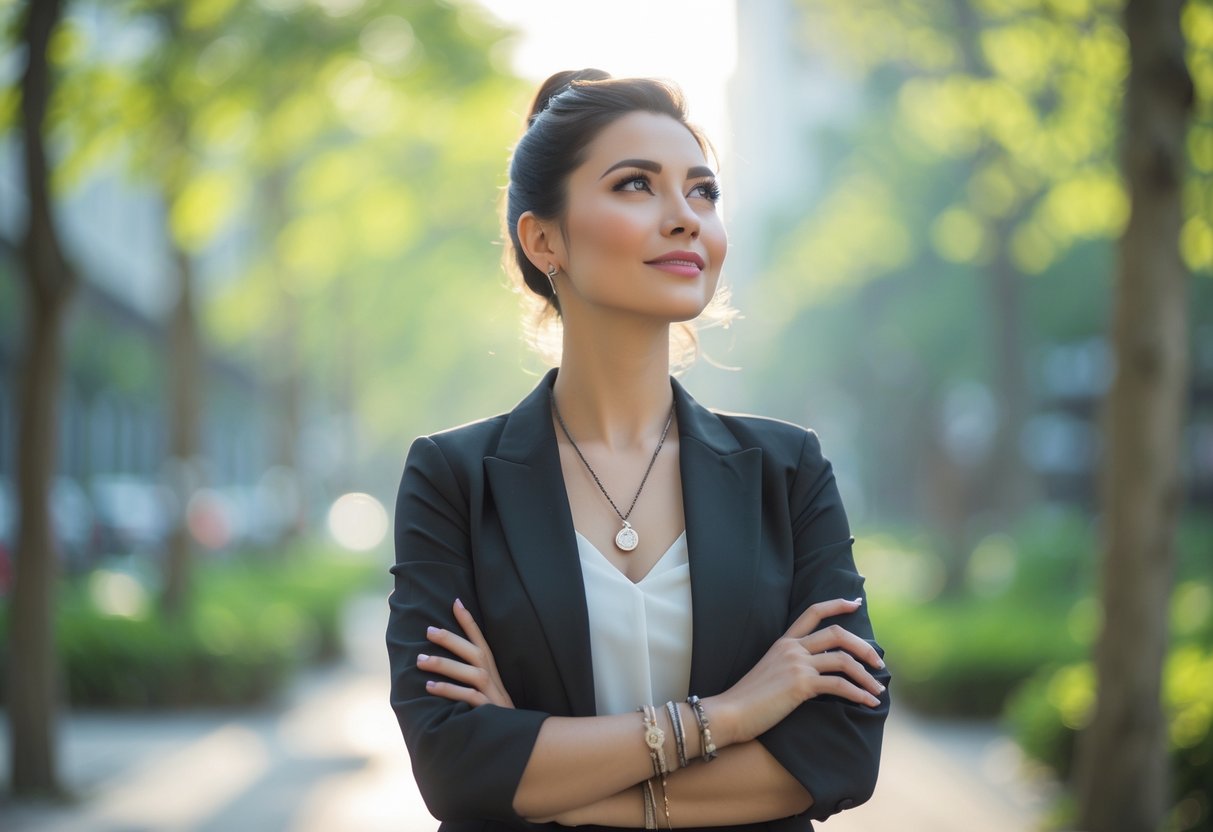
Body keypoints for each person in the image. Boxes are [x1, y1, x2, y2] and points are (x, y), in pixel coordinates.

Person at [387, 68, 890, 831]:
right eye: (634, 185)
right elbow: (455, 766)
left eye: (703, 192)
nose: (685, 217)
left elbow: (839, 753)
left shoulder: (787, 473)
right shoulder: (454, 479)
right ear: (543, 238)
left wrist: (549, 778)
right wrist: (733, 712)